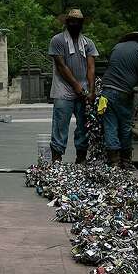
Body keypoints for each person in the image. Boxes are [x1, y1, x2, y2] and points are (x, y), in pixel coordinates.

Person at [48, 9, 98, 163]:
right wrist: (76, 86)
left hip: (83, 89)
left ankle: (81, 157)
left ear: (81, 24)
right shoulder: (57, 40)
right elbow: (61, 66)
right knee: (60, 125)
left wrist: (91, 91)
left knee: (84, 125)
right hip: (63, 89)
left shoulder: (88, 43)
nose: (74, 24)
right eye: (71, 21)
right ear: (67, 23)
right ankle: (57, 158)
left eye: (77, 22)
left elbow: (91, 68)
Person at [100, 32, 138, 169]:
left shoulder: (117, 47)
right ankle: (125, 160)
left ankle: (113, 161)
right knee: (125, 126)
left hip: (106, 90)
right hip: (124, 91)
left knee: (110, 125)